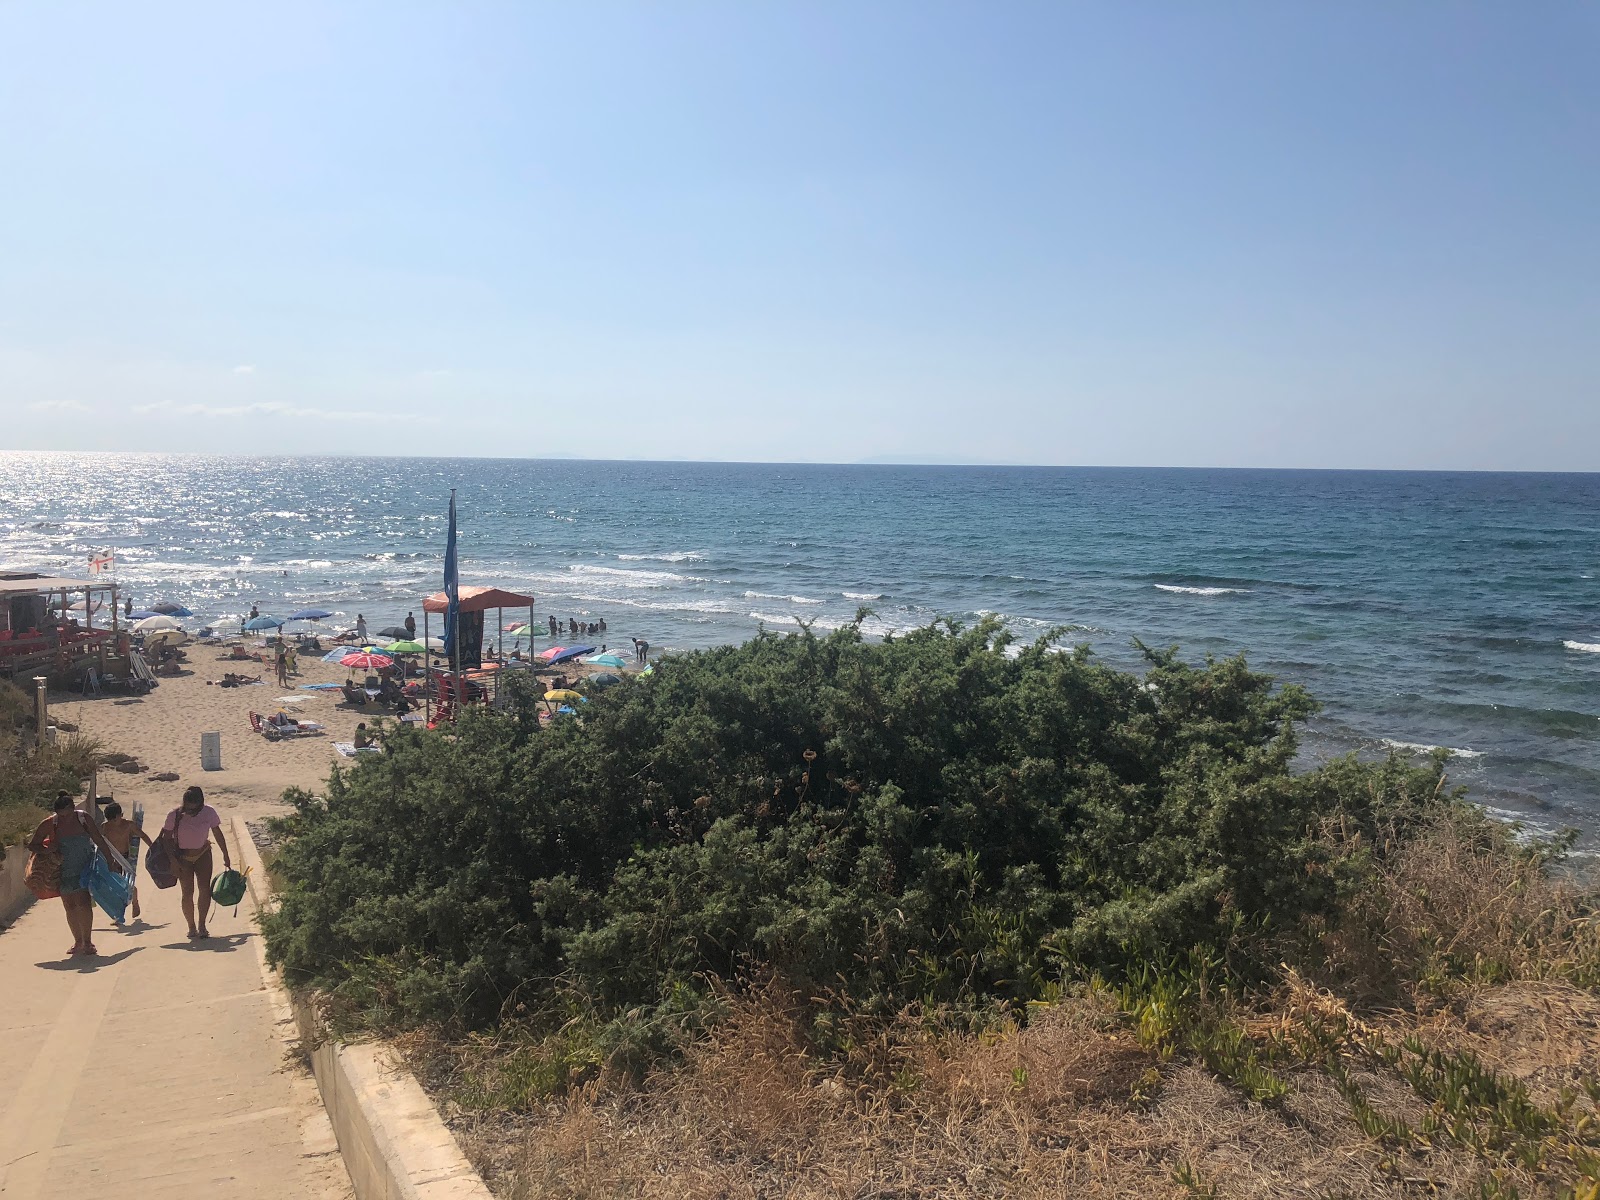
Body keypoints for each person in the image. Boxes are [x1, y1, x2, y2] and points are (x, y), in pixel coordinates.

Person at [27, 792, 118, 957]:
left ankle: (87, 941)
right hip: (61, 870)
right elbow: (33, 845)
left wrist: (110, 860)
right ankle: (78, 941)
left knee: (83, 903)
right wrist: (47, 849)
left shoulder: (83, 818)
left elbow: (98, 839)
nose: (65, 818)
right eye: (61, 815)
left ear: (73, 808)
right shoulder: (50, 823)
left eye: (68, 814)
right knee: (69, 905)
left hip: (84, 868)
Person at [162, 786, 230, 939]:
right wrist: (173, 861)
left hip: (203, 854)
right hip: (183, 858)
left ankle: (202, 925)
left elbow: (217, 833)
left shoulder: (209, 812)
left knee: (205, 889)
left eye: (194, 808)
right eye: (188, 807)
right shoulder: (174, 815)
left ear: (201, 803)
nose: (191, 811)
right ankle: (191, 926)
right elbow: (166, 839)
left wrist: (225, 854)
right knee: (187, 892)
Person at [101, 801, 155, 920]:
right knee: (114, 886)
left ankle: (135, 902)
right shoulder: (105, 827)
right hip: (111, 859)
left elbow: (143, 836)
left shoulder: (129, 825)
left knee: (127, 885)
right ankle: (118, 914)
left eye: (114, 820)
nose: (112, 823)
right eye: (110, 820)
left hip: (125, 859)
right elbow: (98, 842)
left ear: (120, 815)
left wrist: (153, 847)